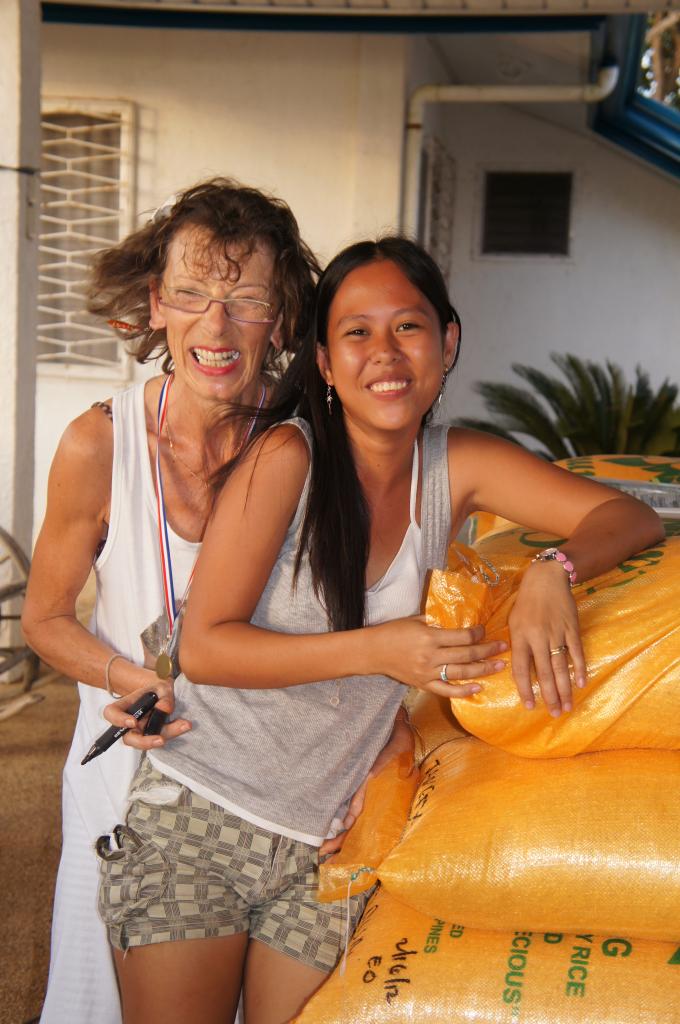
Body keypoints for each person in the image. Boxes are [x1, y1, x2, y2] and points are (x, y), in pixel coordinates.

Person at [100, 236, 663, 1024]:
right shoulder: (286, 458)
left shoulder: (457, 463)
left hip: (327, 847)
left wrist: (553, 572)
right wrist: (382, 652)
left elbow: (624, 514)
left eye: (408, 326)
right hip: (202, 813)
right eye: (356, 333)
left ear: (448, 342)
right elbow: (207, 647)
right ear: (325, 363)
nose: (386, 353)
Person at [23, 182, 411, 1024]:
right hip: (123, 770)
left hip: (275, 787)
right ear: (156, 305)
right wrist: (124, 673)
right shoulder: (101, 442)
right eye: (193, 295)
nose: (216, 325)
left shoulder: (310, 441)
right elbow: (44, 617)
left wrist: (384, 746)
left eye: (245, 301)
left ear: (282, 318)